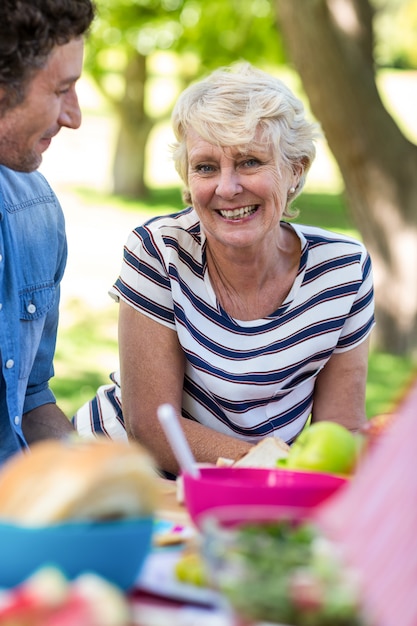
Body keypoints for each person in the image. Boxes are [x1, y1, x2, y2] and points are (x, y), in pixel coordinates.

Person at [74, 63, 375, 477]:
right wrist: (283, 469)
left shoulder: (342, 269)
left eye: (250, 162)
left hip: (251, 488)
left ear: (296, 170)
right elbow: (150, 429)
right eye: (205, 167)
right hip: (121, 478)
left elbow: (341, 429)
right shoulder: (159, 248)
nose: (228, 188)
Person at [0, 0, 96, 465]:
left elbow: (30, 397)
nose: (74, 116)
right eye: (62, 89)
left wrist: (95, 476)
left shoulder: (34, 211)